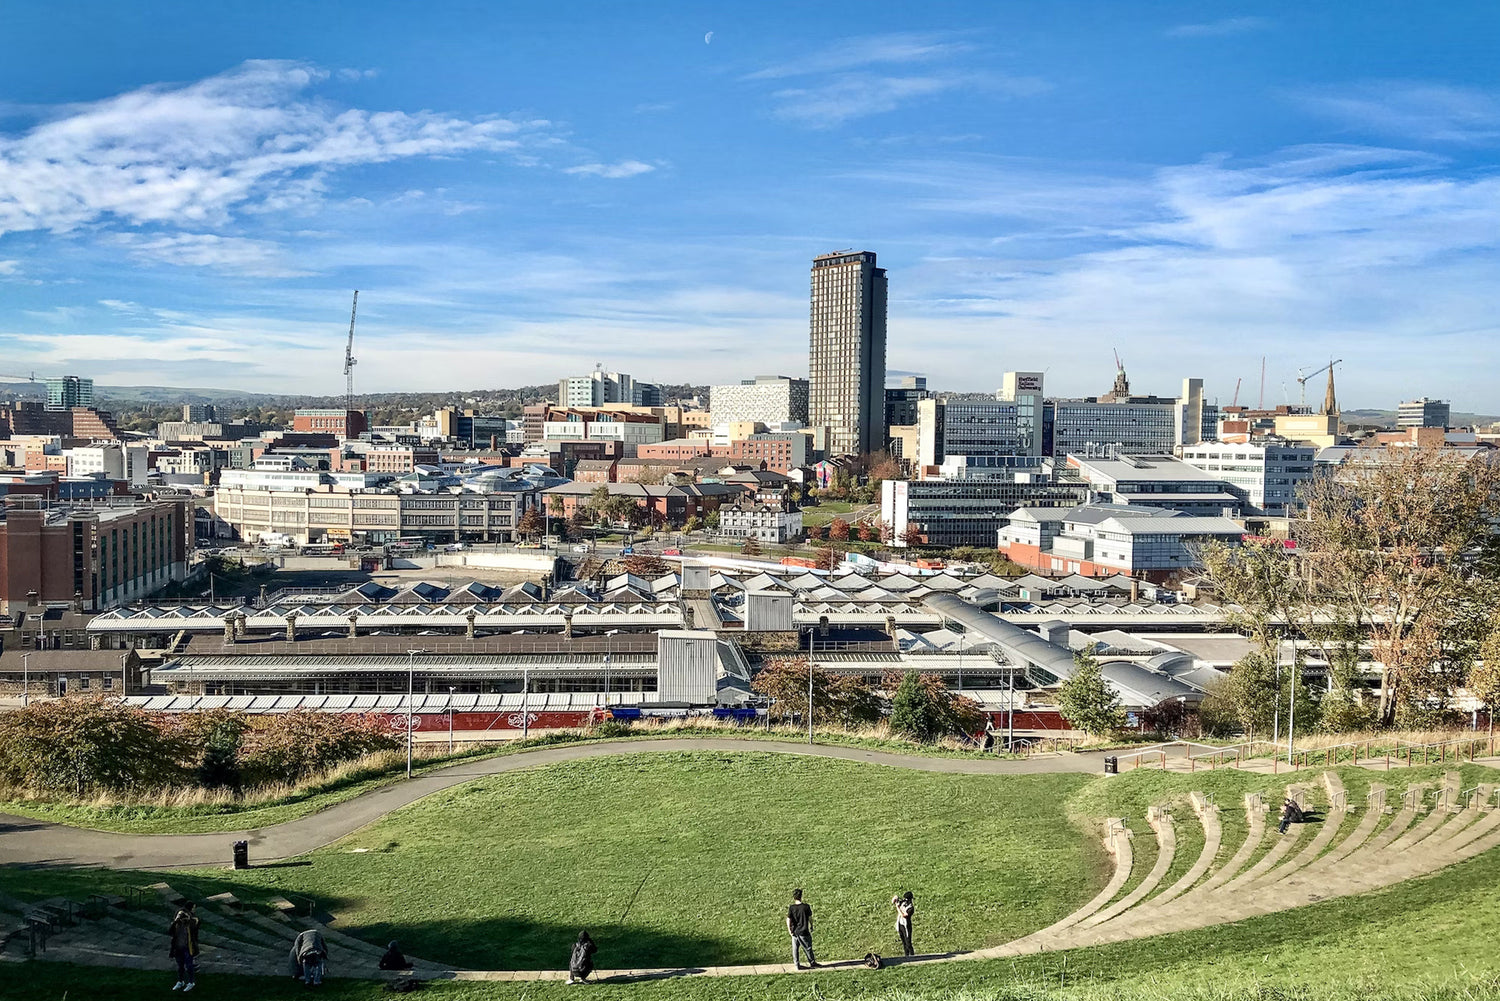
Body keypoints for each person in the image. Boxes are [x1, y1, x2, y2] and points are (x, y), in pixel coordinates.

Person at [168, 900, 200, 992]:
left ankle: (191, 982)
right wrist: (176, 921)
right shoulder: (177, 924)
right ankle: (180, 981)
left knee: (189, 966)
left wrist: (187, 919)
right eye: (194, 908)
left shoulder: (193, 920)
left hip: (188, 947)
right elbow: (170, 932)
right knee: (180, 966)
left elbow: (196, 923)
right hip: (178, 947)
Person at [786, 889, 816, 969]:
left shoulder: (792, 908)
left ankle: (797, 965)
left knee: (795, 949)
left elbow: (788, 919)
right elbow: (810, 918)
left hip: (795, 932)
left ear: (794, 897)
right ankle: (812, 962)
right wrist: (811, 926)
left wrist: (789, 930)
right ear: (801, 896)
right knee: (808, 947)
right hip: (804, 931)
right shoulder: (806, 907)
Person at [892, 891, 915, 957]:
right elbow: (894, 901)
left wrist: (898, 908)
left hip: (906, 925)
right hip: (900, 924)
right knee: (904, 942)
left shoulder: (911, 908)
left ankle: (912, 956)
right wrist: (895, 898)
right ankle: (906, 956)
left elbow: (904, 915)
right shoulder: (903, 902)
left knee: (908, 943)